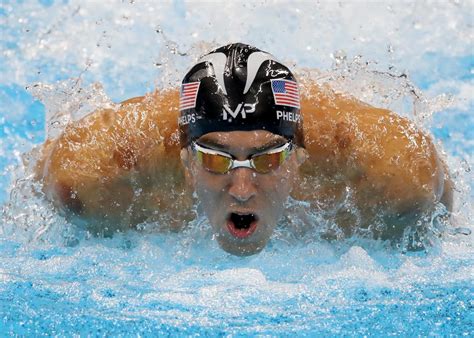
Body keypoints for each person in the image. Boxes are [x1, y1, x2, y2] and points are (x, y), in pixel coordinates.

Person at [36, 43, 453, 255]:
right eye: (215, 159)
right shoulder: (91, 180)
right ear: (184, 163)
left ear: (299, 160)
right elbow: (41, 173)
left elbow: (442, 209)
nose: (241, 189)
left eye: (268, 158)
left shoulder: (397, 177)